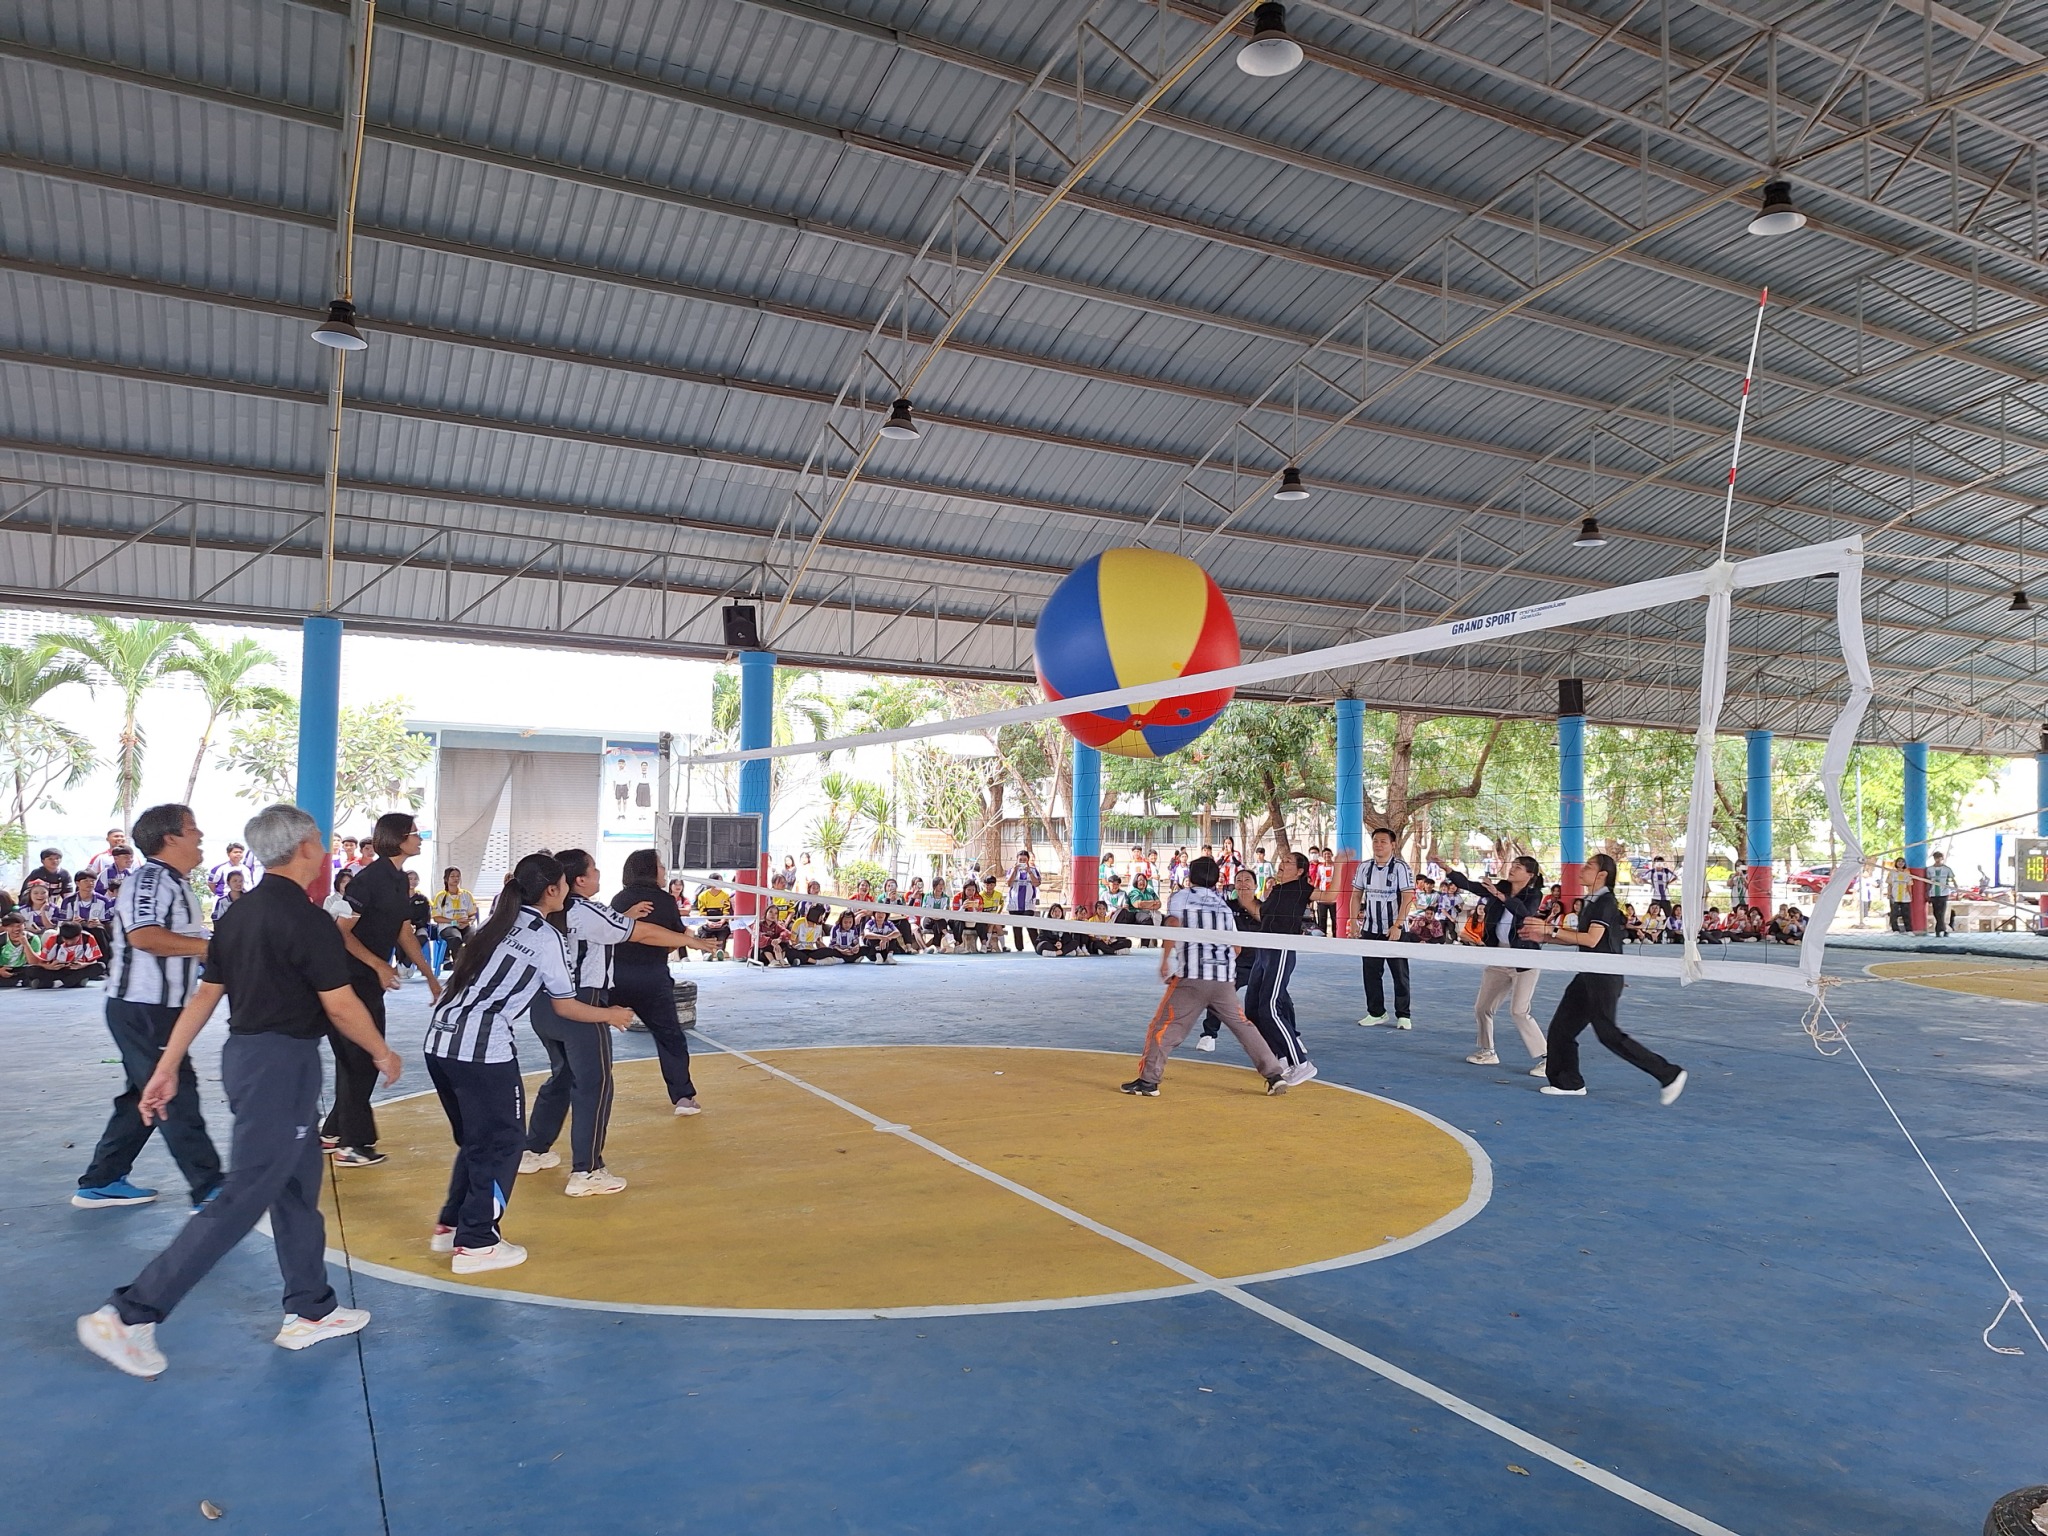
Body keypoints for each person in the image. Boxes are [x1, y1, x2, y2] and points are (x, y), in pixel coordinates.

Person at [75, 803, 401, 1379]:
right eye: (319, 840)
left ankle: (311, 1308)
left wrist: (166, 1065)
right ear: (303, 848)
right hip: (280, 1066)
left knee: (296, 1186)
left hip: (250, 1058)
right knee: (245, 1194)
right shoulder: (307, 921)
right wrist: (380, 1051)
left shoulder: (238, 914)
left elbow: (207, 995)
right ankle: (130, 1313)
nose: (325, 849)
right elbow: (340, 1004)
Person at [424, 853, 635, 1271]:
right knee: (504, 1143)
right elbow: (566, 1005)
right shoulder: (544, 936)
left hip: (439, 1042)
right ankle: (478, 1242)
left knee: (477, 1141)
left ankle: (452, 1226)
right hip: (482, 1050)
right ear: (553, 890)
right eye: (565, 884)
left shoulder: (495, 923)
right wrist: (610, 1014)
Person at [522, 848, 708, 1195]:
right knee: (595, 1085)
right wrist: (691, 940)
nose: (598, 874)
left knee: (563, 1077)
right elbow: (645, 934)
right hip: (581, 1005)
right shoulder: (586, 910)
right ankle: (587, 1171)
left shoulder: (543, 912)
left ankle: (533, 1149)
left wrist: (622, 916)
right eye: (593, 869)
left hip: (544, 1006)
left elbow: (599, 930)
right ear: (578, 880)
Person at [73, 804, 225, 1210]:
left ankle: (102, 1180)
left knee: (142, 1093)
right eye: (192, 829)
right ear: (170, 838)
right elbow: (144, 936)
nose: (200, 836)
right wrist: (211, 948)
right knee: (174, 1090)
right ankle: (210, 1187)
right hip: (143, 1008)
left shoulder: (175, 883)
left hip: (159, 1009)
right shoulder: (150, 880)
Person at [1524, 853, 1686, 1104]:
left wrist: (1551, 929)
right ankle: (1569, 1083)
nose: (1582, 868)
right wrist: (1545, 937)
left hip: (1603, 976)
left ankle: (1669, 1073)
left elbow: (1591, 940)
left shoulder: (1606, 902)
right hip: (1588, 973)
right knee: (1561, 1029)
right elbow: (1582, 939)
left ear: (1602, 875)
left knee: (1607, 1033)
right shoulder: (1591, 901)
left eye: (1589, 865)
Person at [326, 812, 440, 1167]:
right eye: (414, 833)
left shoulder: (399, 879)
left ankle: (333, 1132)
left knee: (356, 1060)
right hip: (348, 981)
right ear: (397, 838)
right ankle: (353, 1145)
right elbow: (341, 932)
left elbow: (403, 930)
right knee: (361, 1060)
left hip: (369, 983)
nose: (419, 838)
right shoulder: (368, 880)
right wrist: (378, 964)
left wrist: (430, 976)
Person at [1123, 855, 1289, 1098]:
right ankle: (1274, 1075)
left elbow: (1172, 925)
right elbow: (1236, 948)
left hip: (1193, 975)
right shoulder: (1223, 905)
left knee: (1164, 1027)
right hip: (1223, 978)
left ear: (1190, 876)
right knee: (1243, 1027)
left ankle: (1148, 1082)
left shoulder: (1180, 897)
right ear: (1215, 879)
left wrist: (1166, 960)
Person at [610, 849, 714, 1114]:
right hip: (652, 979)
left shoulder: (619, 899)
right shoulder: (665, 901)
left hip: (615, 978)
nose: (664, 870)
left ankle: (583, 1087)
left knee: (590, 1029)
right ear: (649, 870)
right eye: (660, 865)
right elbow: (671, 942)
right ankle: (683, 1097)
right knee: (670, 1038)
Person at [1443, 857, 1548, 1073]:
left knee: (1519, 1011)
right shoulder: (1500, 886)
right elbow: (1470, 885)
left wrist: (1500, 896)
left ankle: (1548, 1058)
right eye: (1512, 865)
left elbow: (1524, 912)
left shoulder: (1533, 894)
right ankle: (1487, 1051)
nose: (1512, 869)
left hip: (1525, 959)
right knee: (1483, 1007)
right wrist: (1448, 869)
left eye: (1518, 867)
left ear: (1530, 875)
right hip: (1498, 956)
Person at [1236, 851, 1318, 1086]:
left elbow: (1331, 895)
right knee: (1253, 1008)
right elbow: (1261, 915)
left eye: (1288, 862)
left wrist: (1343, 862)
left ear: (1300, 871)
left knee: (1270, 1008)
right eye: (1282, 861)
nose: (1282, 864)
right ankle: (1280, 1058)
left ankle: (1301, 1063)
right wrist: (1246, 897)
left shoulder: (1301, 888)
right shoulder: (1277, 890)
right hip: (1263, 950)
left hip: (1280, 950)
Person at [1353, 827, 1416, 1029]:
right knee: (1371, 973)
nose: (1378, 845)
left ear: (1393, 845)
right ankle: (1376, 1012)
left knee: (1400, 973)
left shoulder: (1401, 868)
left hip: (1395, 929)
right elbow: (1356, 894)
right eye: (1375, 841)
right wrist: (1353, 921)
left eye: (1383, 841)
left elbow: (1408, 897)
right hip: (1370, 928)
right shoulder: (1364, 867)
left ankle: (1404, 1015)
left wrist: (1397, 925)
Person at [29, 921, 103, 986]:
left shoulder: (88, 938)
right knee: (31, 970)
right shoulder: (53, 939)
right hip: (57, 970)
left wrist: (83, 965)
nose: (69, 943)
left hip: (77, 970)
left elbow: (94, 961)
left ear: (79, 935)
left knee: (100, 966)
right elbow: (40, 962)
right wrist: (49, 966)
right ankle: (72, 981)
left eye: (73, 940)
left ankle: (55, 983)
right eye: (65, 939)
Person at [431, 867, 477, 970]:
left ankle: (472, 963)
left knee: (474, 936)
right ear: (446, 879)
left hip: (465, 925)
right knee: (456, 938)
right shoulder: (440, 896)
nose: (456, 879)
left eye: (458, 876)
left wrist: (469, 921)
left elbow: (472, 914)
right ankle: (459, 965)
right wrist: (454, 922)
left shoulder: (467, 895)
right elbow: (436, 918)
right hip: (448, 926)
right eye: (452, 876)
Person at [62, 870, 114, 953]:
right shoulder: (68, 900)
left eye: (92, 881)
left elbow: (108, 922)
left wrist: (99, 923)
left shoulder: (103, 900)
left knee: (99, 931)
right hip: (74, 931)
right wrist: (72, 923)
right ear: (77, 883)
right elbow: (62, 922)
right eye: (86, 881)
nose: (90, 883)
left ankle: (103, 959)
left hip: (95, 930)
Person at [694, 877, 733, 959]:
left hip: (721, 922)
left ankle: (720, 951)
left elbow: (726, 912)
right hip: (707, 922)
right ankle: (706, 954)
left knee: (724, 931)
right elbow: (702, 913)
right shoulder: (702, 896)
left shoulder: (725, 895)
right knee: (703, 932)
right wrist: (708, 922)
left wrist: (722, 921)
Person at [1927, 851, 1954, 938]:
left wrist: (1956, 889)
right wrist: (1927, 893)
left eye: (1939, 857)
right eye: (1936, 857)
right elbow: (1928, 882)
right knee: (1936, 912)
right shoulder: (1929, 869)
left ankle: (1939, 930)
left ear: (1942, 858)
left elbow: (1952, 879)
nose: (1938, 859)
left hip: (1944, 893)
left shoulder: (1947, 869)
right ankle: (1944, 929)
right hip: (1933, 893)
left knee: (1941, 912)